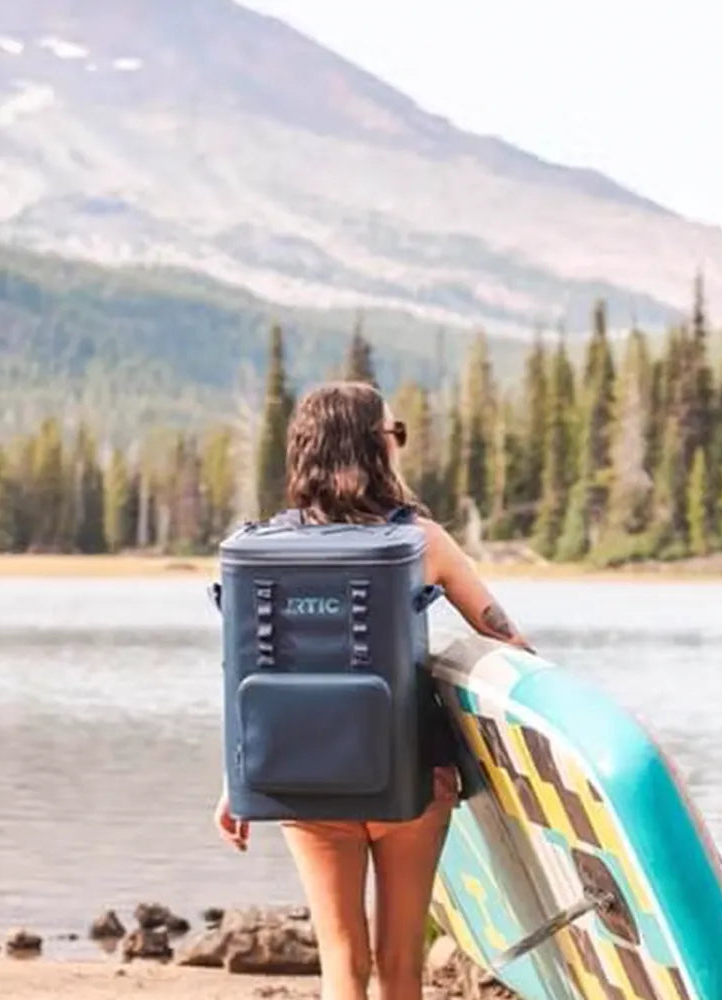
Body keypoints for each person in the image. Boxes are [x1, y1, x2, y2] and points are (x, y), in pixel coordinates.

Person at [213, 381, 531, 1000]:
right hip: (409, 779)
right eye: (397, 433)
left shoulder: (261, 551)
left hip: (304, 780)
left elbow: (246, 668)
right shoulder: (421, 541)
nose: (401, 445)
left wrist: (236, 781)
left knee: (342, 961)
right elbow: (508, 641)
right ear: (375, 447)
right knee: (401, 965)